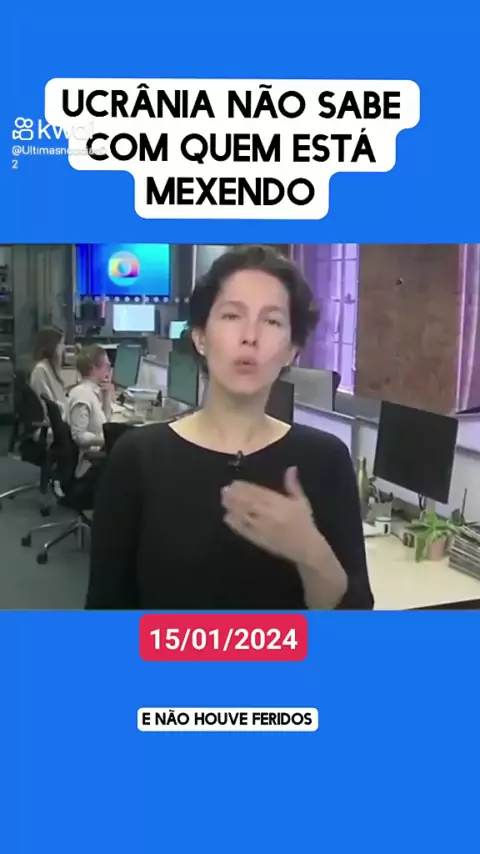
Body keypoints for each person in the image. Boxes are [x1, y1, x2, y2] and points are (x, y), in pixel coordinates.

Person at [86, 245, 374, 611]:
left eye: (272, 321)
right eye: (232, 315)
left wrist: (310, 551)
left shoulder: (326, 460)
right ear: (200, 338)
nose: (250, 336)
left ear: (292, 349)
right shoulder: (138, 458)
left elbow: (353, 618)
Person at [64, 345, 113, 495]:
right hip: (87, 464)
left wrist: (106, 398)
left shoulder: (91, 391)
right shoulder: (82, 396)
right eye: (106, 365)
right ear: (93, 368)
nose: (109, 370)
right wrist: (108, 439)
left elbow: (105, 424)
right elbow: (79, 436)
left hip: (94, 454)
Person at [30, 326, 67, 415]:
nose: (63, 348)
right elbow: (49, 406)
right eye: (61, 344)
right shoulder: (40, 370)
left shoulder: (51, 368)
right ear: (52, 346)